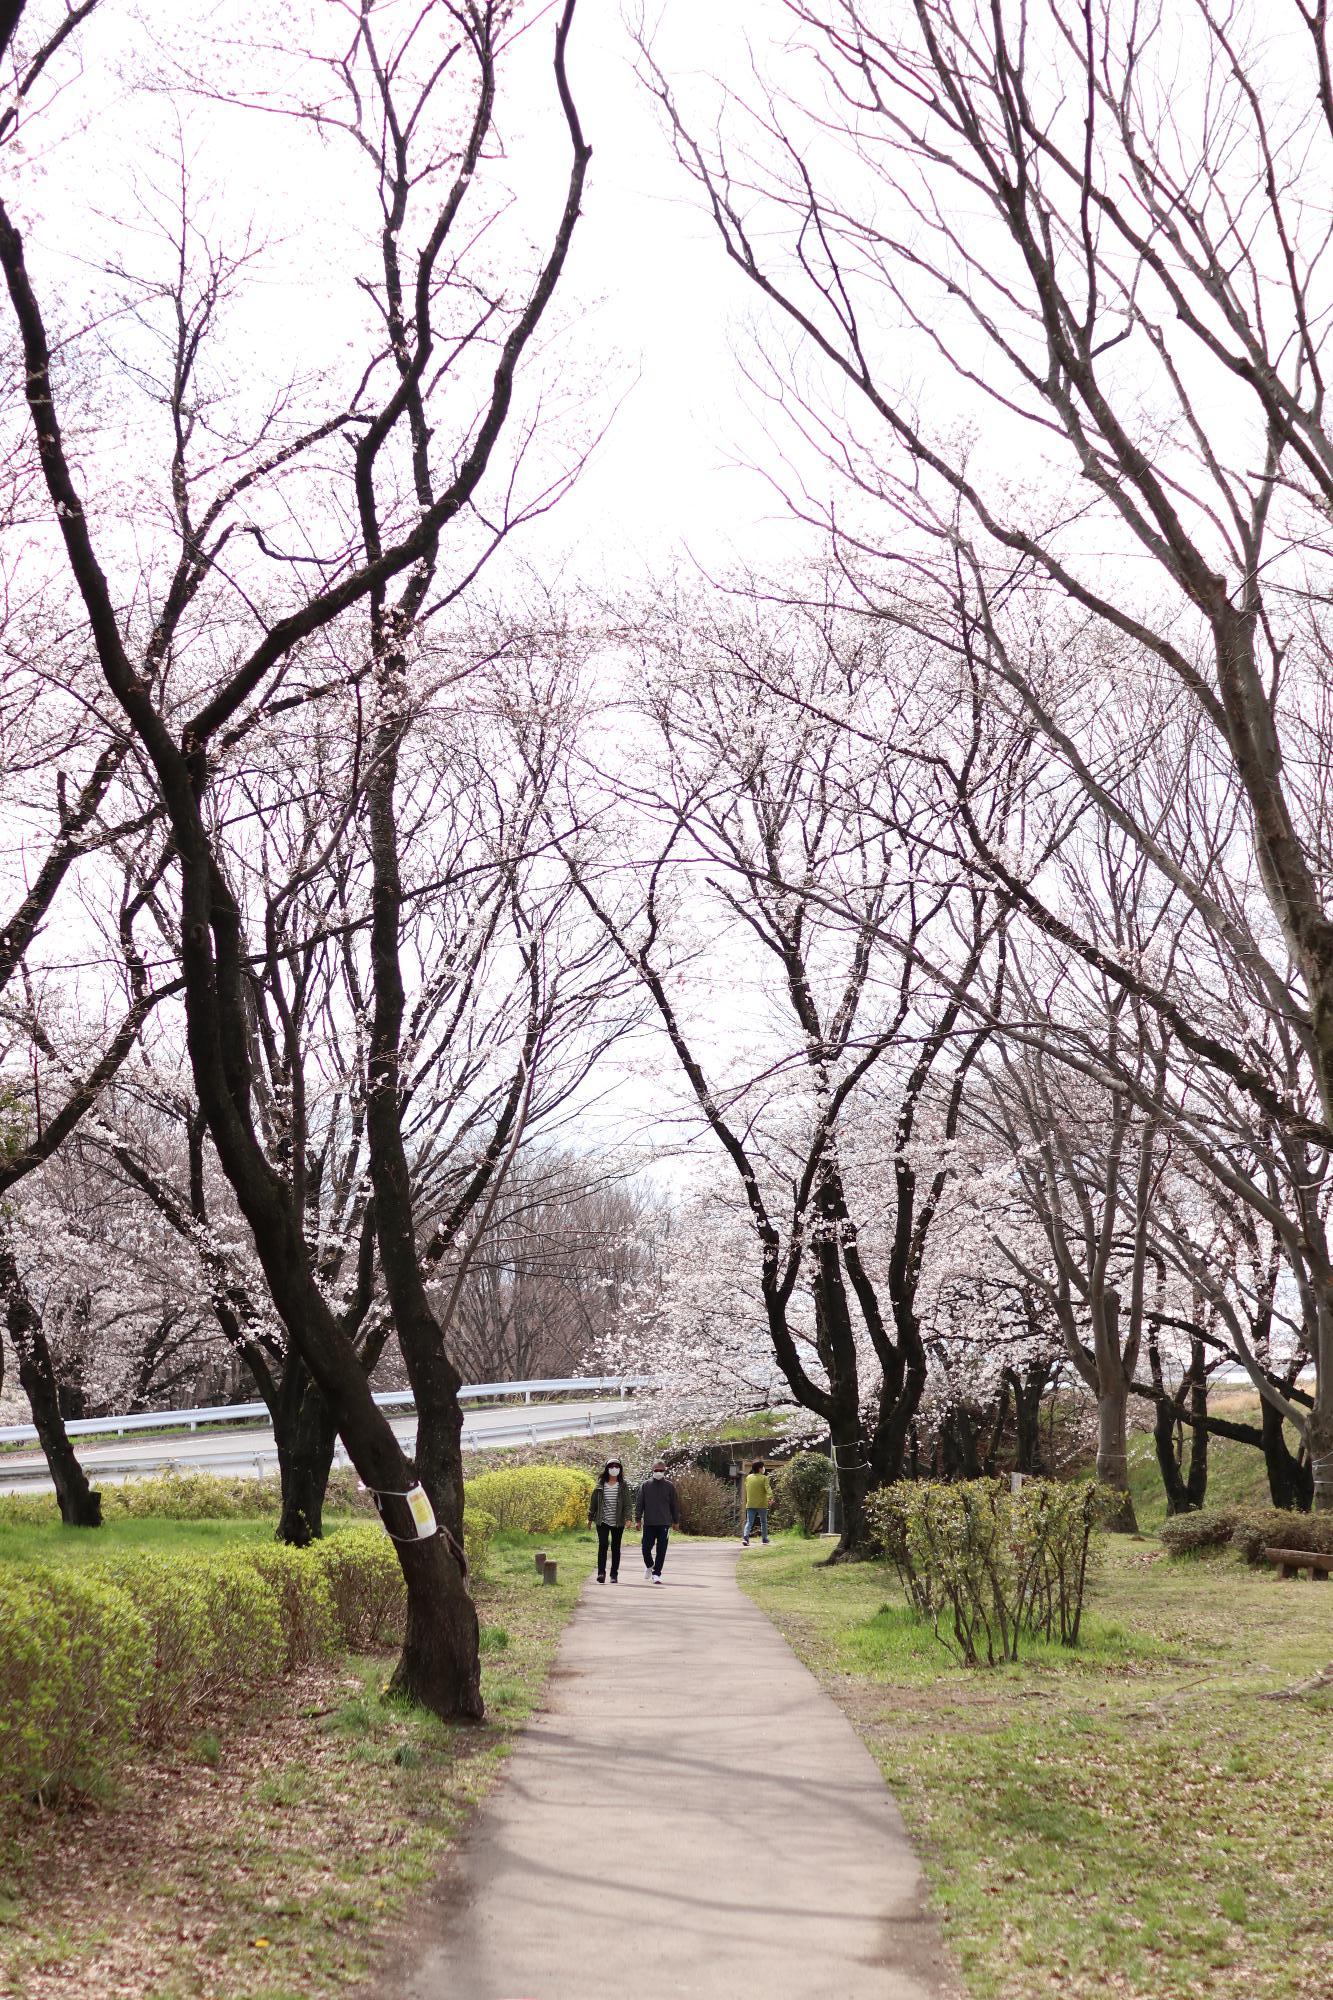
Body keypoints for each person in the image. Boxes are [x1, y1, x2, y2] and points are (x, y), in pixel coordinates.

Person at [635, 1458, 680, 1584]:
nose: (659, 1472)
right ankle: (650, 1565)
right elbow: (640, 1504)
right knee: (645, 1549)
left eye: (661, 1470)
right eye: (656, 1470)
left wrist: (676, 1521)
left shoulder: (669, 1486)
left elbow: (674, 1505)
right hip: (649, 1523)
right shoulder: (645, 1485)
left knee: (661, 1550)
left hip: (664, 1523)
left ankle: (657, 1573)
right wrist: (637, 1520)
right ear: (652, 1470)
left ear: (665, 1471)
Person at [587, 1457, 631, 1582]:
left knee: (616, 1547)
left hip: (618, 1521)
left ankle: (614, 1575)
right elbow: (593, 1504)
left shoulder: (623, 1485)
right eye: (611, 1466)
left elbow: (627, 1504)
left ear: (620, 1469)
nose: (614, 1469)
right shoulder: (600, 1485)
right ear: (607, 1469)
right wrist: (590, 1519)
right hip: (602, 1520)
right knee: (603, 1545)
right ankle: (601, 1573)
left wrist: (628, 1518)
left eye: (617, 1467)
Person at [742, 1460, 773, 1546]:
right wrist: (770, 1498)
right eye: (763, 1467)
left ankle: (745, 1538)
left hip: (750, 1503)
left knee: (749, 1522)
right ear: (760, 1469)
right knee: (763, 1522)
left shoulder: (748, 1477)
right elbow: (768, 1489)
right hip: (761, 1504)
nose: (764, 1468)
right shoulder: (764, 1478)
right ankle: (764, 1539)